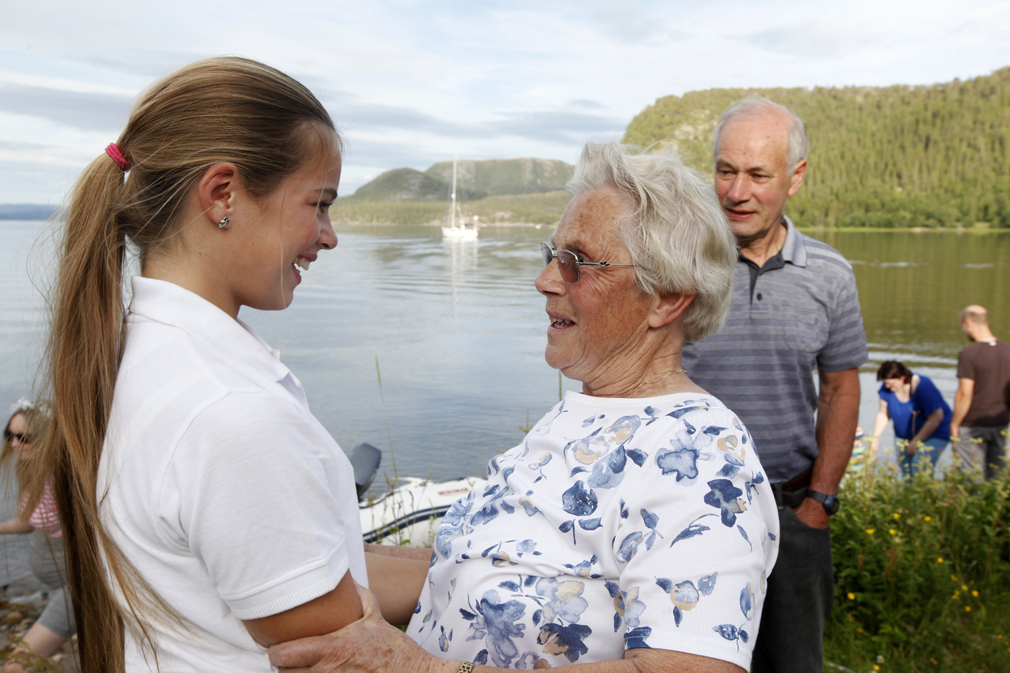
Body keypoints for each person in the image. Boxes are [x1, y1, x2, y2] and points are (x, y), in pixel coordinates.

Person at [269, 142, 779, 673]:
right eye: (551, 255)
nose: (545, 280)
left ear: (668, 298)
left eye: (577, 263)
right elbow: (471, 568)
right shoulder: (582, 414)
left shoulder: (702, 456)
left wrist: (414, 668)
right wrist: (272, 565)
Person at [32, 57, 371, 673]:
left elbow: (297, 574)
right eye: (318, 204)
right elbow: (342, 648)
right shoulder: (229, 412)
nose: (329, 235)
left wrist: (456, 561)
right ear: (223, 194)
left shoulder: (140, 359)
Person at [679, 98, 867, 673]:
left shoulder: (831, 275)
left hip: (792, 512)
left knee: (794, 663)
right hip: (686, 516)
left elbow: (840, 389)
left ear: (795, 177)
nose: (737, 192)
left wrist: (821, 502)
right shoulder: (677, 266)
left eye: (758, 175)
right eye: (725, 170)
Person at [1, 399, 75, 673]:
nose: (14, 444)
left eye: (24, 438)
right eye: (10, 435)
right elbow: (28, 521)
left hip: (78, 585)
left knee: (15, 667)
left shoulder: (66, 475)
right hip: (61, 579)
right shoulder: (29, 469)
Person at [950, 305, 1010, 481]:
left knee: (971, 479)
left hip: (972, 424)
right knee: (996, 476)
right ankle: (995, 508)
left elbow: (965, 394)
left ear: (968, 323)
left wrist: (955, 423)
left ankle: (971, 508)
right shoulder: (1008, 350)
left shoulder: (969, 354)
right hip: (1000, 422)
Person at [869, 361, 952, 478]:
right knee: (905, 469)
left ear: (902, 378)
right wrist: (875, 439)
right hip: (903, 436)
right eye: (885, 383)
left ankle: (925, 495)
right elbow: (883, 414)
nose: (887, 386)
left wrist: (916, 441)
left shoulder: (923, 387)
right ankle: (907, 495)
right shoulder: (887, 389)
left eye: (891, 383)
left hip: (936, 432)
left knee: (920, 467)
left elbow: (936, 418)